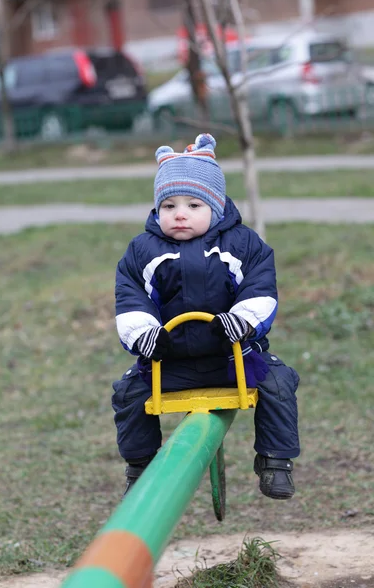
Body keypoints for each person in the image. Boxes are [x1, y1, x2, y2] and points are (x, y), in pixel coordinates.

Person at [112, 133, 300, 500]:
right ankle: (140, 467)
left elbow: (261, 289)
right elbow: (130, 297)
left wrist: (243, 321)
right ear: (156, 210)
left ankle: (275, 460)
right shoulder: (142, 250)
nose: (180, 213)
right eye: (168, 206)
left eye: (194, 204)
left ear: (215, 207)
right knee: (129, 393)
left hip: (234, 359)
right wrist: (144, 334)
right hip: (169, 364)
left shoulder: (243, 244)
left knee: (278, 382)